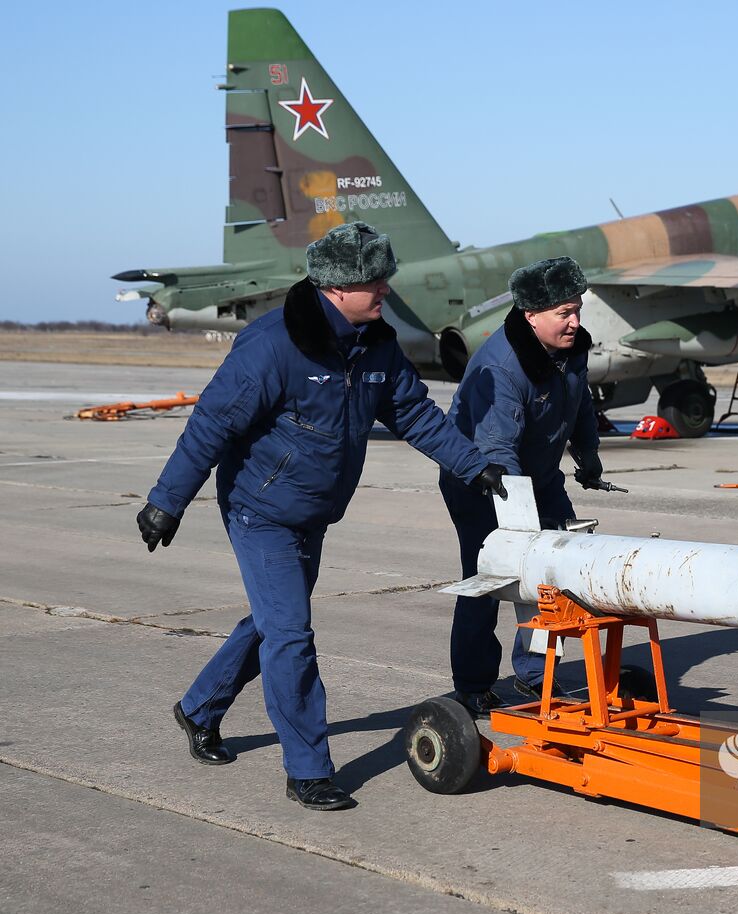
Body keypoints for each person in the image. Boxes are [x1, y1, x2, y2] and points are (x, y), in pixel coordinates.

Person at [137, 221, 506, 812]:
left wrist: (471, 465)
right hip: (260, 511)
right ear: (338, 288)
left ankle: (199, 708)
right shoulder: (273, 345)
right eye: (375, 283)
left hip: (315, 512)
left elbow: (413, 411)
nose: (385, 291)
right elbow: (212, 423)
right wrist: (166, 502)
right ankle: (308, 769)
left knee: (269, 623)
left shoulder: (376, 342)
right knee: (291, 635)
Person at [440, 256, 604, 715]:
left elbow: (580, 403)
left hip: (541, 476)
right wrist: (521, 526)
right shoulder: (503, 366)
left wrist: (587, 456)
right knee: (492, 580)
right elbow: (498, 450)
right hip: (481, 482)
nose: (574, 323)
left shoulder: (572, 349)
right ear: (531, 316)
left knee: (553, 576)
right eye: (563, 314)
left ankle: (537, 676)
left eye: (577, 310)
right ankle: (472, 685)